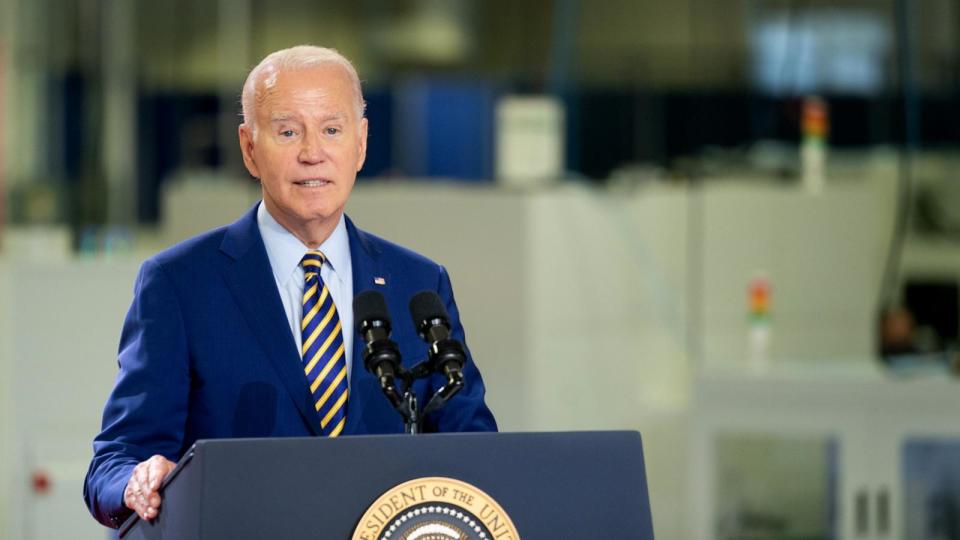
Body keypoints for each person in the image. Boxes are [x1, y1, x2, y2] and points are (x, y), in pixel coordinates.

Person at [83, 45, 497, 529]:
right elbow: (115, 460)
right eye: (287, 131)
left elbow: (477, 453)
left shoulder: (418, 284)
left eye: (332, 129)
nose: (312, 153)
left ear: (360, 144)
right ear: (249, 148)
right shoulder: (179, 283)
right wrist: (138, 478)